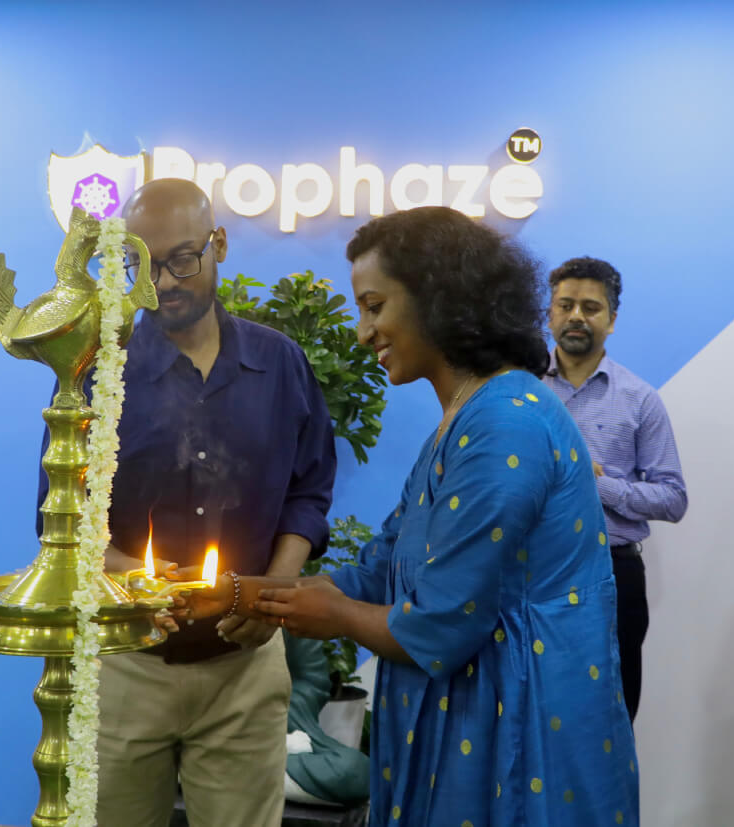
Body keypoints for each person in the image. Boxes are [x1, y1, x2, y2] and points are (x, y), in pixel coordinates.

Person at [180, 206, 638, 826]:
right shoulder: (465, 417)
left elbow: (440, 625)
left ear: (437, 300)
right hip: (472, 711)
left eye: (374, 306)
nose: (364, 332)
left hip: (516, 728)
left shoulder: (507, 422)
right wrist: (240, 594)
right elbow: (380, 568)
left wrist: (331, 615)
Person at [38, 179, 336, 827]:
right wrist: (127, 572)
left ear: (219, 244)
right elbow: (61, 513)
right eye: (141, 265)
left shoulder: (279, 363)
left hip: (244, 668)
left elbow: (308, 492)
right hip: (124, 667)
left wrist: (269, 592)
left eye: (181, 259)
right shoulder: (96, 369)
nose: (164, 283)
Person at [541, 256, 686, 721]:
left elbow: (673, 498)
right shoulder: (522, 388)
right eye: (565, 305)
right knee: (534, 713)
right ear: (549, 314)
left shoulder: (639, 399)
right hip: (531, 571)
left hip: (612, 575)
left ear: (612, 320)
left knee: (612, 715)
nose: (576, 316)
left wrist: (603, 486)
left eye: (590, 307)